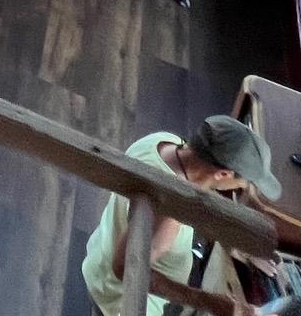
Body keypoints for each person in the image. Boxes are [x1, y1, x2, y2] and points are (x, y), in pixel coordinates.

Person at [82, 114, 282, 316]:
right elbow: (124, 268)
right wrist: (209, 302)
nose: (241, 188)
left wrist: (239, 243)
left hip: (101, 256)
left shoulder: (163, 142)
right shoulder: (167, 213)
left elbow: (199, 196)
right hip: (120, 300)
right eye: (243, 184)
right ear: (223, 174)